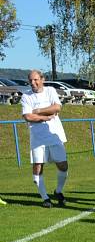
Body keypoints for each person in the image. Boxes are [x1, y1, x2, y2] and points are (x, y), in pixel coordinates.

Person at [20, 70, 68, 208]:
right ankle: (45, 197)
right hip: (37, 138)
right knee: (38, 166)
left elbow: (57, 108)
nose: (33, 83)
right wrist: (45, 117)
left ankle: (58, 191)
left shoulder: (50, 91)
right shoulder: (26, 96)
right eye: (30, 81)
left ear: (42, 79)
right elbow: (28, 117)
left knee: (63, 165)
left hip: (55, 135)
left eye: (35, 80)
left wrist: (38, 111)